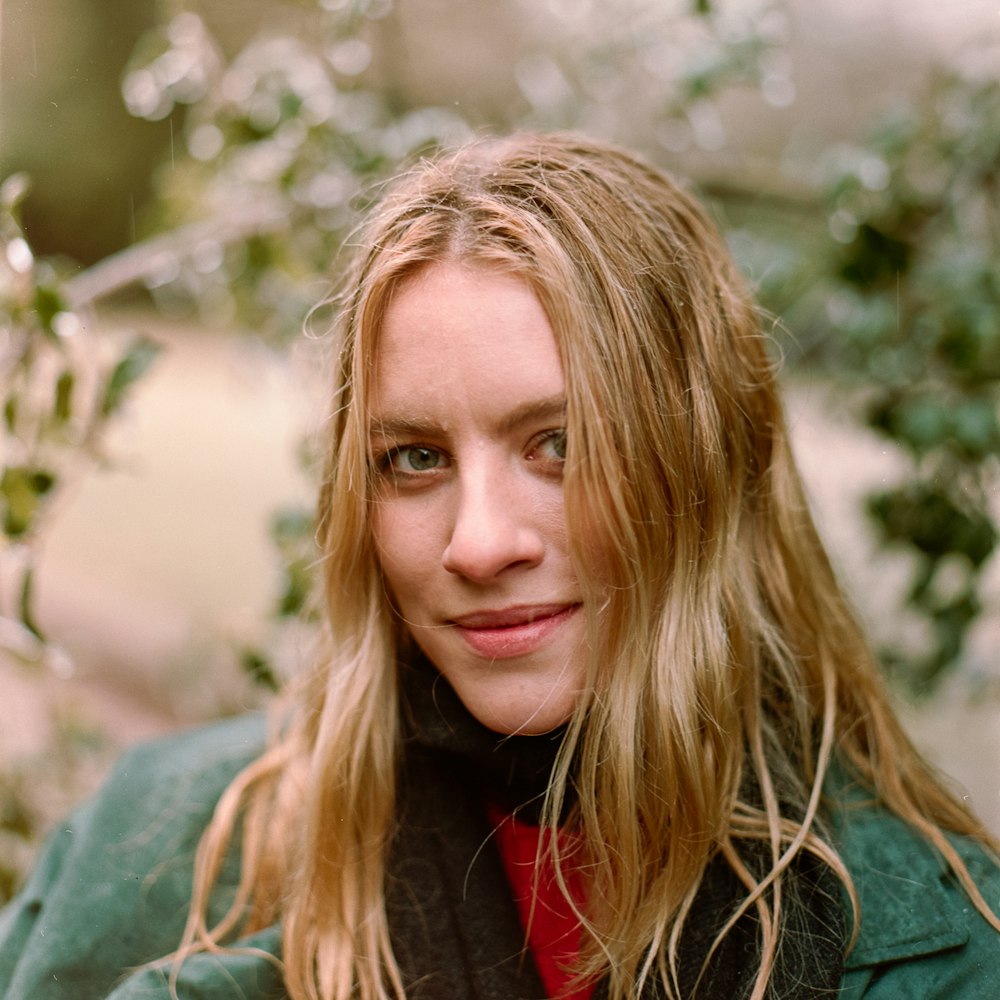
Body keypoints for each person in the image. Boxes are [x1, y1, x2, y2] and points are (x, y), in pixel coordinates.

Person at [1, 132, 998, 1000]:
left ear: (705, 461)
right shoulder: (144, 851)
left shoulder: (935, 943)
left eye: (558, 444)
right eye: (415, 459)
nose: (478, 543)